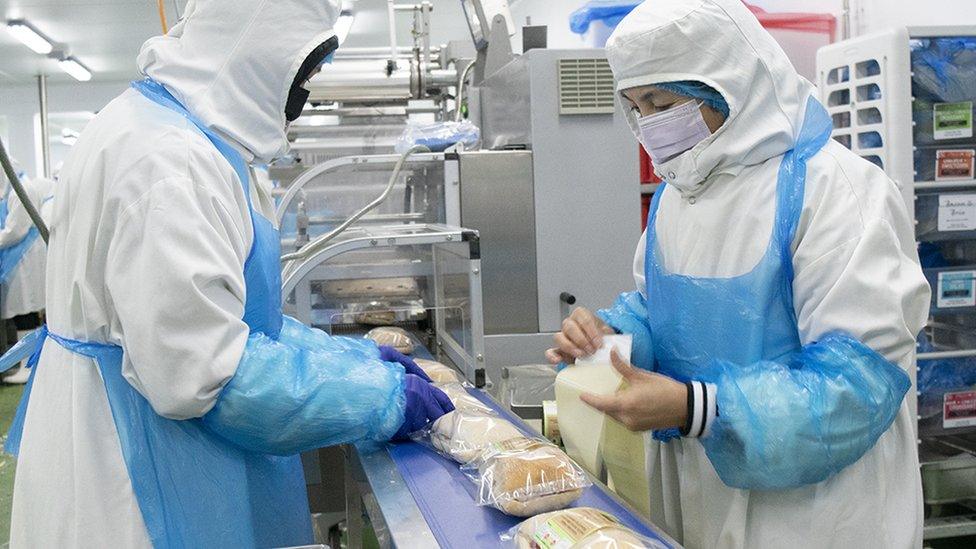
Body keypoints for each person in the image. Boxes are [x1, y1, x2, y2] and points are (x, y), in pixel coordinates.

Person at [5, 1, 452, 547]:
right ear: (261, 47)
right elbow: (206, 375)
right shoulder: (171, 164)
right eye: (306, 65)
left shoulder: (159, 128)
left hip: (124, 428)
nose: (309, 85)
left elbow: (229, 320)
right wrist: (379, 400)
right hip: (135, 472)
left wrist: (354, 361)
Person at [547, 1, 929, 547]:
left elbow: (855, 387)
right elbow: (667, 313)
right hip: (697, 494)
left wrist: (697, 407)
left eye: (661, 101)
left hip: (815, 515)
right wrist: (612, 342)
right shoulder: (680, 195)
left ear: (730, 83)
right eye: (635, 105)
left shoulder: (836, 193)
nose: (650, 123)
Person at [0, 167, 53, 384]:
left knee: (26, 311)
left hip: (24, 258)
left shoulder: (20, 190)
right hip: (15, 259)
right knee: (21, 311)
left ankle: (28, 367)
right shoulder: (8, 191)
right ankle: (25, 364)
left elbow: (16, 231)